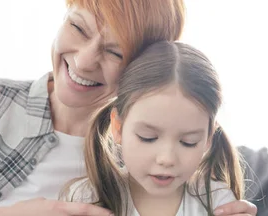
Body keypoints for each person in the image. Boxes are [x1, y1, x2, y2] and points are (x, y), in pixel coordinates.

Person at [0, 0, 257, 215]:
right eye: (78, 28)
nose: (84, 62)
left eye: (115, 52)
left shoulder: (144, 167)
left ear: (142, 67)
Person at [60, 41, 244, 216]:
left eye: (189, 142)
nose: (166, 159)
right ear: (118, 127)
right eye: (147, 138)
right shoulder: (87, 199)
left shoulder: (218, 202)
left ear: (208, 139)